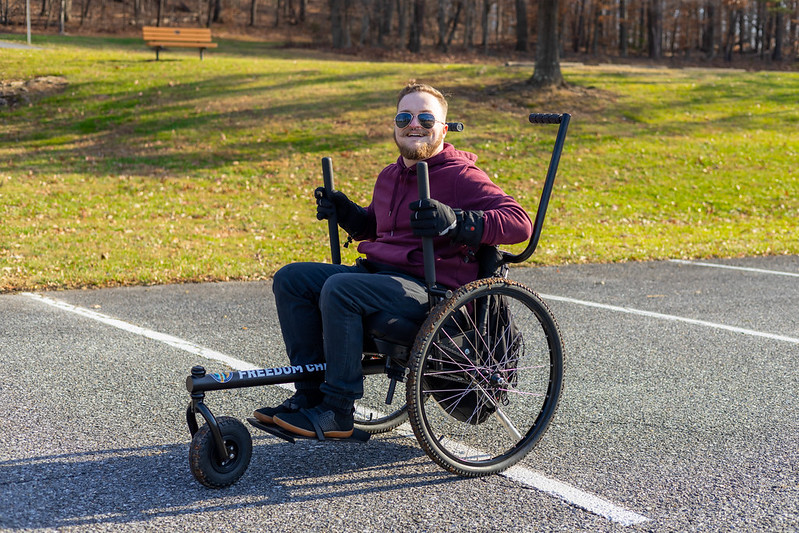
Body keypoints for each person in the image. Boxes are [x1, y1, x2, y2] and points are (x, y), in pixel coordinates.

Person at [254, 83, 532, 439]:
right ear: (395, 125)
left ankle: (337, 409)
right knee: (291, 278)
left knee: (343, 288)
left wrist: (457, 220)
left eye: (425, 117)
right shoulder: (389, 175)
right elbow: (380, 226)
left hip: (431, 291)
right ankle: (309, 395)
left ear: (443, 129)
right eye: (405, 116)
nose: (414, 124)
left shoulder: (461, 176)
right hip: (379, 277)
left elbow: (519, 222)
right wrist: (348, 213)